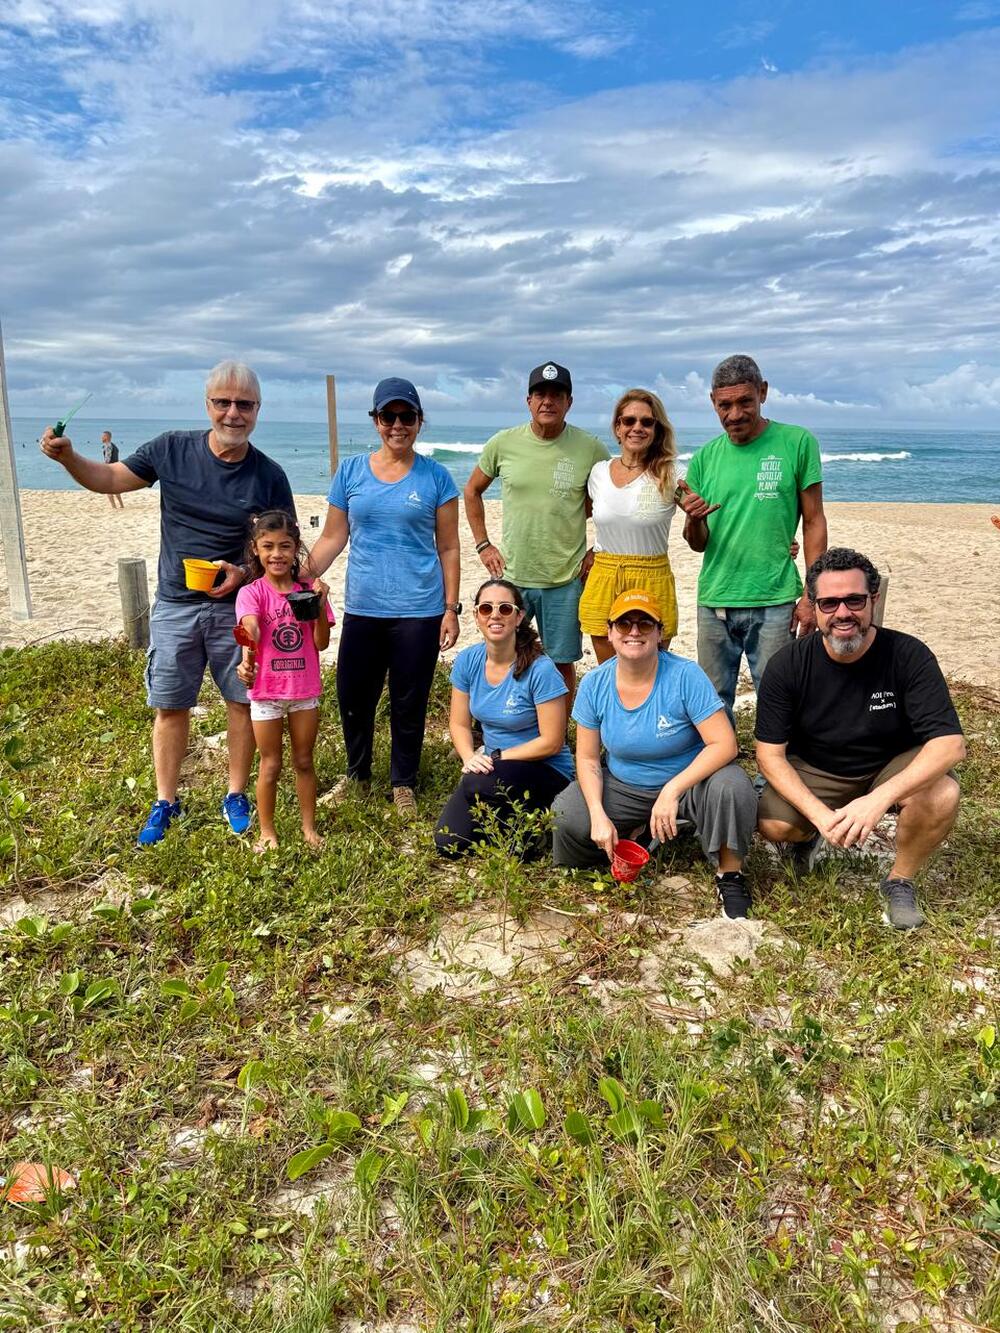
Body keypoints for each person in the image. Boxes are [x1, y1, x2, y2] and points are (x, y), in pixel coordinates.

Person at [40, 361, 294, 845]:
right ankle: (166, 800)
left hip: (239, 608)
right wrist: (68, 458)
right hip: (175, 604)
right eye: (223, 402)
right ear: (208, 405)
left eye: (244, 404)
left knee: (241, 703)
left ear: (258, 410)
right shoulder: (171, 449)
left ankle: (235, 794)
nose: (233, 413)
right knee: (170, 706)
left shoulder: (270, 475)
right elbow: (110, 478)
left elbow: (282, 548)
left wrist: (244, 572)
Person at [755, 548, 965, 930]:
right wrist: (819, 816)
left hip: (890, 766)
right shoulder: (787, 665)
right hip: (820, 768)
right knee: (774, 825)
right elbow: (769, 756)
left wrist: (878, 799)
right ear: (813, 607)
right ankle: (808, 838)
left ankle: (899, 881)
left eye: (854, 600)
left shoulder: (908, 654)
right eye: (829, 602)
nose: (842, 613)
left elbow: (950, 745)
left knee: (942, 793)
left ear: (873, 600)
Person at [552, 589, 759, 919]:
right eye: (624, 624)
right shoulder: (594, 684)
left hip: (689, 781)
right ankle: (625, 841)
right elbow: (588, 758)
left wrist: (672, 790)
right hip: (624, 782)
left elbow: (725, 744)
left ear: (660, 633)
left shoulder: (685, 675)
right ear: (609, 632)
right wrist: (597, 813)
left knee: (733, 787)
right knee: (567, 814)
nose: (634, 632)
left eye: (645, 624)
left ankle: (729, 874)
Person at [306, 377, 460, 815]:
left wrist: (450, 609)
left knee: (409, 700)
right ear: (376, 421)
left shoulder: (437, 477)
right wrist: (301, 577)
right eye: (388, 416)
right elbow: (334, 537)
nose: (397, 425)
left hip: (420, 609)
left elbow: (448, 546)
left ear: (419, 421)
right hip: (364, 607)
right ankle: (357, 776)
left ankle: (403, 782)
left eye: (406, 417)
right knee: (354, 696)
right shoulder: (351, 472)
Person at [678, 354, 828, 720]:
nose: (735, 414)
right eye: (724, 405)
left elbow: (813, 521)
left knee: (779, 696)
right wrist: (694, 518)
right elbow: (697, 542)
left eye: (745, 401)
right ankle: (718, 775)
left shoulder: (796, 442)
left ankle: (774, 776)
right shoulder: (705, 458)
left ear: (763, 392)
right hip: (715, 598)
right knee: (712, 701)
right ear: (713, 402)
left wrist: (812, 593)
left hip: (774, 598)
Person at [464, 362, 609, 702]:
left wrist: (597, 549)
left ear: (569, 402)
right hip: (512, 576)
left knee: (560, 663)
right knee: (503, 653)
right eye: (540, 394)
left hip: (564, 579)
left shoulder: (590, 448)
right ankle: (502, 724)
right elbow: (472, 491)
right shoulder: (503, 443)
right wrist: (483, 545)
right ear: (528, 400)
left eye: (556, 395)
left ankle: (557, 736)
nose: (548, 401)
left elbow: (610, 501)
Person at [435, 579, 573, 856]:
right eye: (486, 608)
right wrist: (469, 758)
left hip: (546, 768)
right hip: (495, 767)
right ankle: (521, 825)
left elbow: (552, 742)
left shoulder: (541, 669)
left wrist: (495, 758)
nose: (495, 615)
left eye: (505, 609)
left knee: (477, 782)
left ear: (519, 616)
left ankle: (541, 813)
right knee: (448, 844)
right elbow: (459, 723)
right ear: (476, 616)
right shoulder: (468, 661)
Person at [235, 511, 333, 854]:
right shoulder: (251, 593)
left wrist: (320, 606)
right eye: (268, 546)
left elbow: (321, 643)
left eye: (285, 546)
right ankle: (267, 831)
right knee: (270, 764)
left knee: (304, 761)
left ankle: (309, 827)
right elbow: (251, 629)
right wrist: (246, 658)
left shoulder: (308, 593)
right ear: (256, 549)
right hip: (266, 692)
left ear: (296, 550)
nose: (277, 554)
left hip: (304, 690)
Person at [578, 388, 678, 663]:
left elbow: (706, 514)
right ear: (617, 427)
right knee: (609, 670)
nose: (637, 427)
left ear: (657, 429)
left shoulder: (672, 474)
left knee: (651, 671)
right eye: (629, 421)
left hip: (652, 574)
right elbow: (579, 514)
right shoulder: (598, 472)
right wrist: (591, 549)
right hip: (605, 572)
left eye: (647, 422)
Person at [101, 432, 124, 509]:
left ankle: (114, 507)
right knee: (116, 487)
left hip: (110, 469)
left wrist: (104, 468)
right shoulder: (114, 446)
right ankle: (121, 505)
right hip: (116, 467)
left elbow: (107, 459)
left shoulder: (107, 446)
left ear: (106, 437)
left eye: (102, 436)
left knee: (108, 488)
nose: (101, 438)